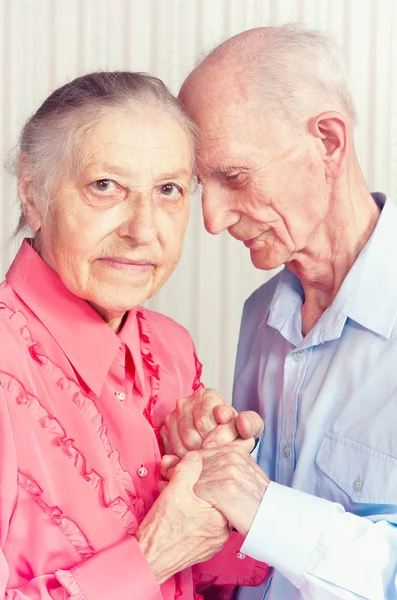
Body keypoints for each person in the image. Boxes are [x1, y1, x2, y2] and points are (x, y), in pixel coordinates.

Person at [0, 72, 269, 599]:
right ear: (33, 192)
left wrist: (222, 484)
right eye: (106, 186)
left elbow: (204, 580)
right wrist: (151, 556)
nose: (144, 229)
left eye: (168, 190)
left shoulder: (172, 349)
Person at [161, 25, 397, 599]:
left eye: (234, 177)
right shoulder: (262, 314)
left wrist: (264, 506)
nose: (212, 221)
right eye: (200, 187)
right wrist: (211, 458)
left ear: (328, 142)